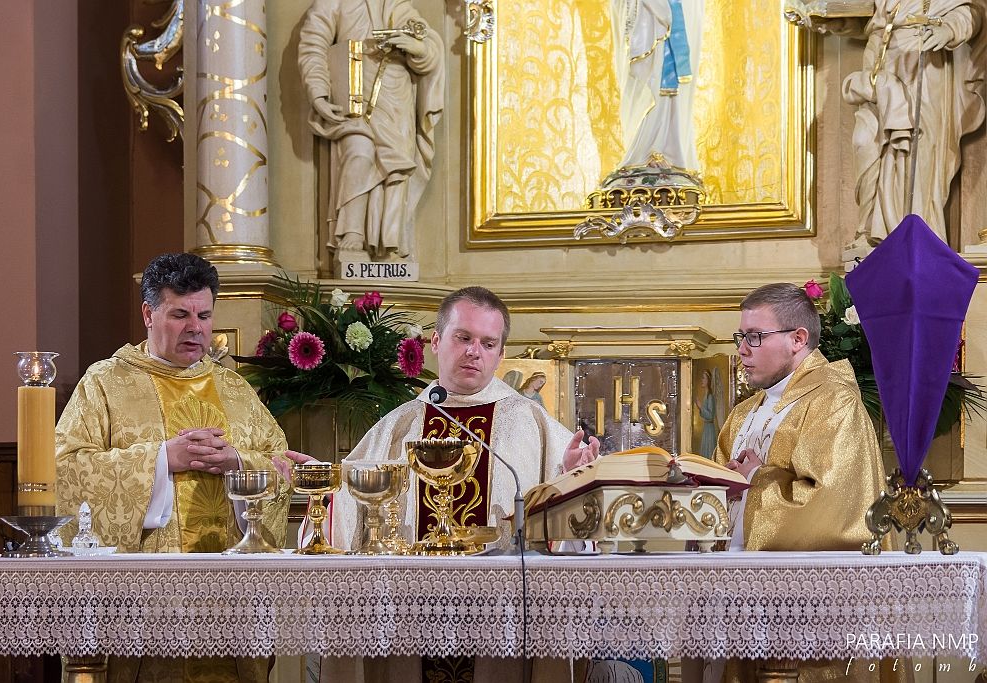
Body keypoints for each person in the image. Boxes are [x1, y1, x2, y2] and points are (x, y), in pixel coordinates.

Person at [56, 252, 314, 683]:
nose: (196, 328)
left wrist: (236, 462)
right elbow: (66, 469)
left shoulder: (234, 388)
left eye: (204, 315)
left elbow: (278, 464)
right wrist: (161, 460)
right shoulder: (105, 383)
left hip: (229, 597)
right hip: (143, 601)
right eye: (180, 314)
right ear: (148, 314)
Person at [321, 286, 600, 682]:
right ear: (436, 342)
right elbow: (351, 502)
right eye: (463, 337)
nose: (474, 351)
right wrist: (326, 485)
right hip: (409, 608)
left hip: (503, 611)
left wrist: (571, 475)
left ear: (500, 354)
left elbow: (569, 513)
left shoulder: (530, 421)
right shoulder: (400, 423)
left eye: (488, 343)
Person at [707, 283, 890, 682]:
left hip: (811, 609)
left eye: (755, 336)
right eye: (741, 337)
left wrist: (757, 480)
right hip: (739, 597)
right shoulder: (744, 413)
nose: (742, 350)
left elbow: (832, 505)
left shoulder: (833, 402)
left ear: (798, 339)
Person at [297, 0, 445, 262]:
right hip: (353, 95)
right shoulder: (334, 2)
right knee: (359, 152)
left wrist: (419, 49)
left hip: (394, 97)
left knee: (396, 169)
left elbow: (426, 43)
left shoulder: (397, 4)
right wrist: (318, 91)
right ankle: (353, 231)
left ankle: (389, 242)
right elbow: (313, 44)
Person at [841, 0, 985, 243]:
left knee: (920, 147)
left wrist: (949, 29)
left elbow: (972, 11)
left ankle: (918, 232)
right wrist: (828, 19)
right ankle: (875, 230)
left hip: (924, 61)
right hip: (880, 63)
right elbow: (860, 13)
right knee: (870, 142)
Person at [609, 0, 705, 172]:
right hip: (645, 25)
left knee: (668, 91)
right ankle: (642, 153)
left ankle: (667, 151)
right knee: (646, 84)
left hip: (670, 25)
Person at [694, 369, 717, 458]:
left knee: (708, 452)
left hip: (709, 429)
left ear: (708, 380)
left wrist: (700, 406)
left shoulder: (710, 396)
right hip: (706, 427)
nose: (702, 380)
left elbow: (710, 416)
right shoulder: (706, 396)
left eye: (703, 378)